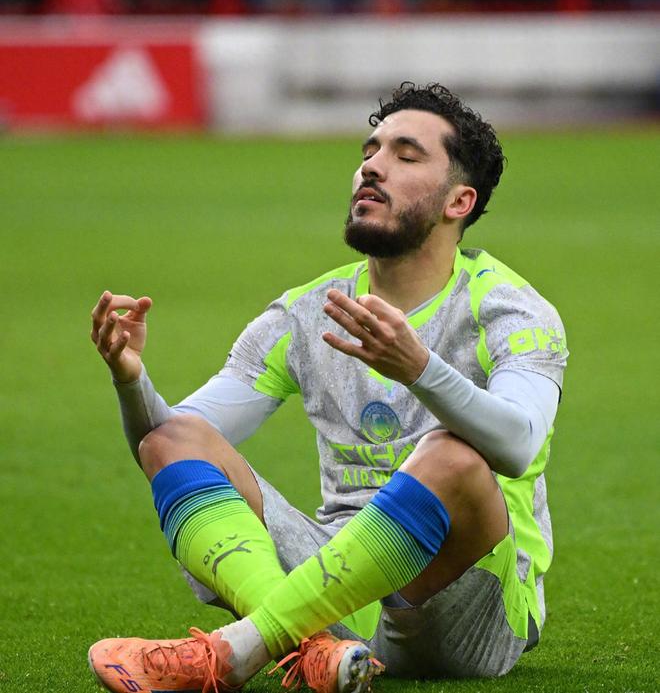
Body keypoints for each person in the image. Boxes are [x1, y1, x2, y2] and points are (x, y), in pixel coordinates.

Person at [88, 82, 568, 693]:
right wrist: (130, 380)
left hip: (470, 606)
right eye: (370, 151)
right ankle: (311, 648)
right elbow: (166, 443)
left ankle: (244, 647)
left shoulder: (510, 310)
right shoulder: (307, 311)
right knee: (173, 438)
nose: (372, 166)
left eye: (405, 155)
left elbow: (520, 444)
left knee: (453, 456)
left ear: (459, 201)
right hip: (338, 589)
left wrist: (419, 368)